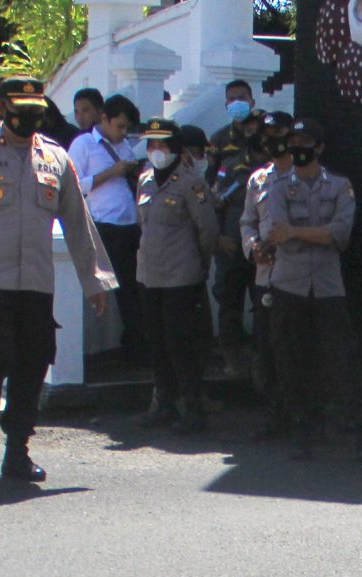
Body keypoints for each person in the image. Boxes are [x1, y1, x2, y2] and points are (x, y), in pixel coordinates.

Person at [0, 75, 115, 485]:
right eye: (20, 111)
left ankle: (17, 453)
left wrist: (95, 279)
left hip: (34, 284)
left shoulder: (55, 158)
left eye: (36, 112)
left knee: (32, 366)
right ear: (2, 109)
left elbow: (79, 224)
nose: (28, 119)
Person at [255, 117, 357, 454]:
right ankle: (300, 424)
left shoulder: (340, 186)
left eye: (305, 143)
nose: (298, 149)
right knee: (290, 358)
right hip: (289, 285)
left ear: (320, 148)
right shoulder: (279, 186)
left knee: (334, 356)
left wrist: (297, 233)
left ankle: (337, 423)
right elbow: (276, 233)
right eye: (294, 142)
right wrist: (316, 234)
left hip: (328, 286)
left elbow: (340, 234)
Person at [133, 119, 219, 431]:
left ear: (177, 149)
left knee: (180, 343)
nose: (157, 151)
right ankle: (164, 404)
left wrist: (199, 264)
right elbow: (145, 226)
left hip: (181, 276)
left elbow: (207, 231)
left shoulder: (191, 184)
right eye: (152, 145)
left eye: (163, 145)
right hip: (149, 275)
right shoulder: (144, 181)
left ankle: (193, 408)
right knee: (156, 342)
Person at [70, 93, 145, 361]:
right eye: (119, 126)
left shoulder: (124, 146)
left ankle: (136, 345)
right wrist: (112, 173)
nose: (122, 133)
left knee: (134, 290)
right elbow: (74, 185)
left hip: (132, 226)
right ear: (105, 119)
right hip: (105, 227)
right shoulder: (84, 145)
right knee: (112, 290)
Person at [238, 113, 294, 405]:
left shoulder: (306, 175)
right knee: (266, 345)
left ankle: (299, 415)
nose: (273, 138)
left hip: (297, 277)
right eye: (268, 133)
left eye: (279, 132)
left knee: (293, 349)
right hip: (264, 276)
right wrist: (253, 246)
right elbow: (247, 221)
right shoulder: (258, 179)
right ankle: (273, 414)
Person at [209, 110, 268, 369]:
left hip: (263, 251)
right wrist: (218, 238)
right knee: (229, 304)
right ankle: (231, 358)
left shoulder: (276, 169)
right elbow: (213, 204)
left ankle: (261, 359)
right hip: (231, 248)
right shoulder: (231, 166)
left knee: (264, 306)